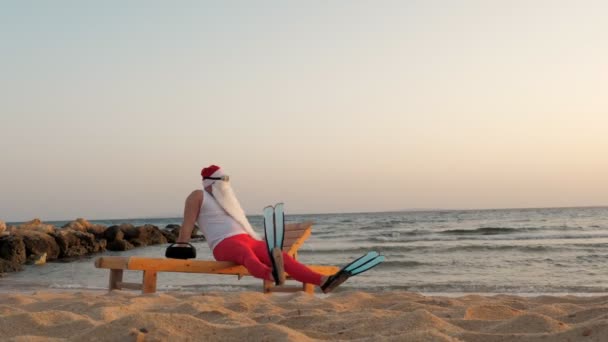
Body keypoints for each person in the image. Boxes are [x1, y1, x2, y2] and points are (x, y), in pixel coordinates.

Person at [175, 165, 340, 291]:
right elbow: (188, 224)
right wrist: (182, 247)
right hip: (223, 244)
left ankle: (324, 281)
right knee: (245, 253)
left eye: (227, 180)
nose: (226, 184)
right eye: (222, 180)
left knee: (282, 257)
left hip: (248, 239)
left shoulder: (228, 201)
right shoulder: (198, 195)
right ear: (210, 182)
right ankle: (272, 274)